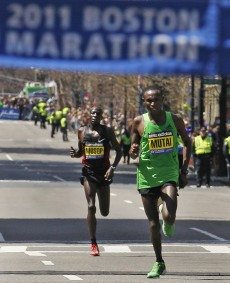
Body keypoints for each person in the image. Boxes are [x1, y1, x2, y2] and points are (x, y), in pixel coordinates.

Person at [129, 86, 191, 278]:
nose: (152, 103)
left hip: (169, 173)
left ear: (163, 99)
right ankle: (159, 262)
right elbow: (133, 147)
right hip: (147, 175)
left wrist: (183, 169)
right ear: (144, 102)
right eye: (148, 100)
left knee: (169, 216)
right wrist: (132, 151)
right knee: (153, 223)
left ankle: (168, 219)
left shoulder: (175, 119)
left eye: (156, 99)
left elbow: (188, 143)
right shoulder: (139, 122)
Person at [70, 106, 122, 256]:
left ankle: (94, 239)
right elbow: (81, 151)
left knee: (105, 212)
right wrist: (75, 154)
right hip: (89, 173)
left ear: (101, 116)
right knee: (91, 206)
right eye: (93, 113)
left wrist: (113, 167)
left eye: (98, 113)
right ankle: (93, 243)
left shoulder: (107, 131)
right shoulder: (82, 131)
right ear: (89, 115)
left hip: (104, 173)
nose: (95, 115)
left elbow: (119, 150)